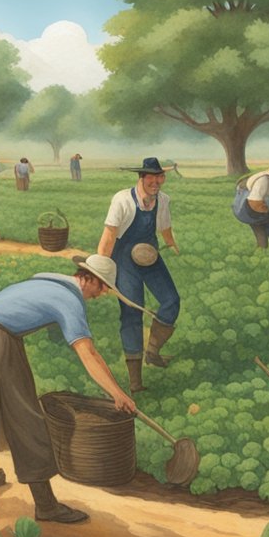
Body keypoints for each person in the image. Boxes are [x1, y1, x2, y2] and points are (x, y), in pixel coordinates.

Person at [0, 254, 142, 523]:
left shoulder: (49, 279)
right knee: (24, 417)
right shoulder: (68, 300)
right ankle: (45, 505)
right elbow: (88, 352)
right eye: (102, 287)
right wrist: (117, 392)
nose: (102, 294)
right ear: (87, 278)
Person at [98, 157, 182, 393]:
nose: (156, 182)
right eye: (151, 177)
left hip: (150, 254)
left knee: (171, 301)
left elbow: (164, 226)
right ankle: (135, 381)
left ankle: (152, 352)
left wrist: (171, 243)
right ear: (141, 178)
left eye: (160, 177)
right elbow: (109, 236)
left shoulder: (163, 200)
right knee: (132, 311)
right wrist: (103, 270)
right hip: (124, 257)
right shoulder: (122, 200)